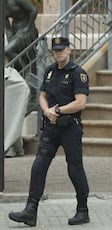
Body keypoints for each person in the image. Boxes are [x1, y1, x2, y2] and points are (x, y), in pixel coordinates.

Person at [8, 37, 90, 226]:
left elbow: (81, 102)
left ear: (69, 50)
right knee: (39, 165)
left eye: (62, 49)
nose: (59, 53)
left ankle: (83, 210)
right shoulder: (50, 71)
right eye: (56, 50)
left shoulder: (78, 73)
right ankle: (30, 210)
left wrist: (58, 110)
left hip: (71, 127)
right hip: (52, 127)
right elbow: (42, 96)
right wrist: (46, 111)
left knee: (75, 168)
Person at [5, 0, 38, 70]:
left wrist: (27, 28)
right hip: (16, 32)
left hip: (27, 31)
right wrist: (10, 39)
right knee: (11, 51)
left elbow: (33, 10)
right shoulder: (2, 6)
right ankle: (23, 71)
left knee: (7, 51)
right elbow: (7, 28)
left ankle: (25, 70)